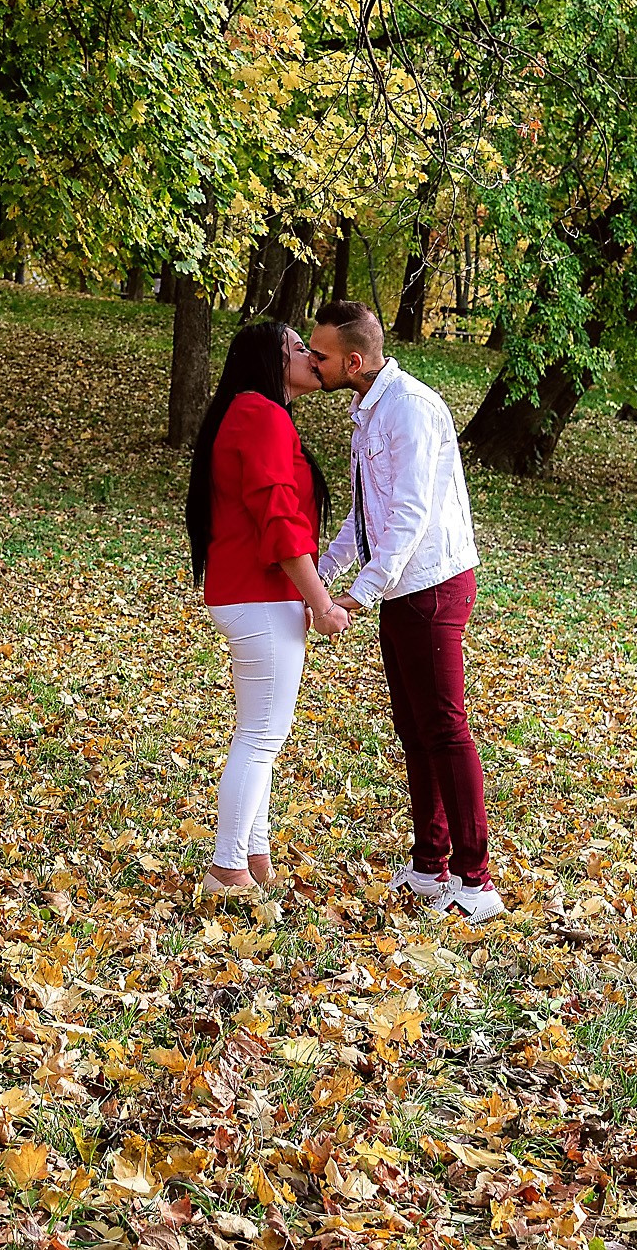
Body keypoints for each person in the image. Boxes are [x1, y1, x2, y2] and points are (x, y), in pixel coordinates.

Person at [308, 300, 504, 923]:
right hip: (401, 587)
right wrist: (324, 570)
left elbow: (411, 516)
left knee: (445, 728)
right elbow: (366, 514)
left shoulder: (410, 410)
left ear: (356, 360)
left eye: (322, 356)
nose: (314, 363)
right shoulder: (368, 412)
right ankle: (430, 866)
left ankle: (477, 881)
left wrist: (362, 591)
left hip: (434, 585)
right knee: (413, 730)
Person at [185, 321, 351, 903]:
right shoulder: (259, 414)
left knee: (262, 734)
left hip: (254, 596)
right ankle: (227, 868)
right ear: (271, 360)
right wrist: (321, 602)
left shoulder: (256, 413)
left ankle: (255, 856)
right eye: (298, 348)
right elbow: (280, 522)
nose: (310, 355)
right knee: (261, 736)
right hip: (259, 595)